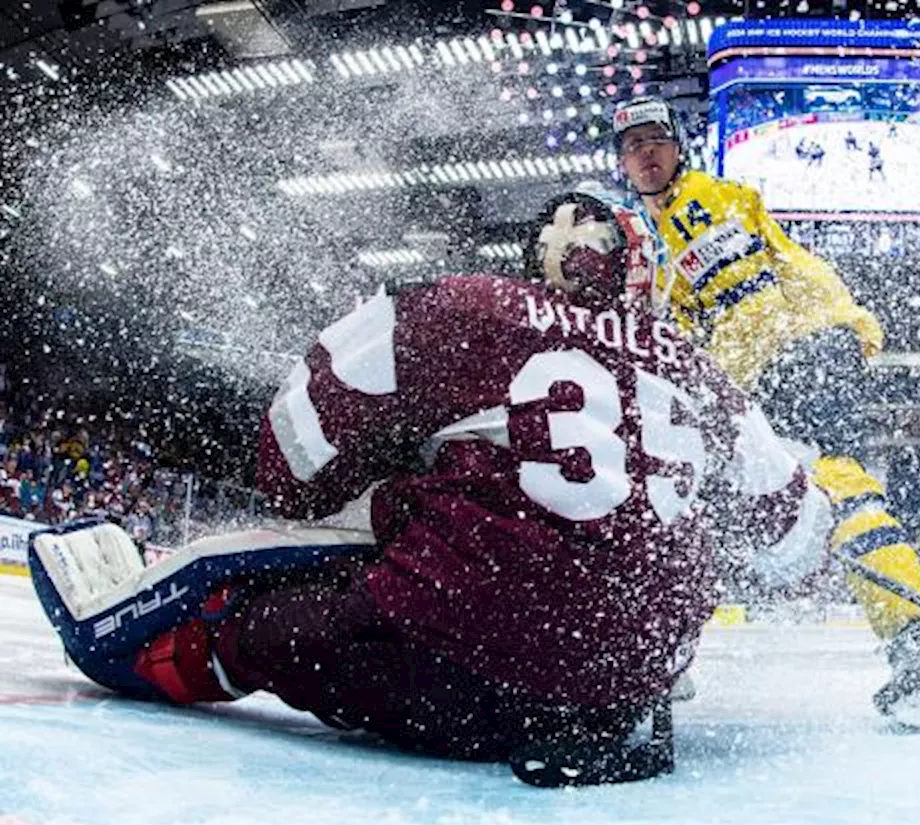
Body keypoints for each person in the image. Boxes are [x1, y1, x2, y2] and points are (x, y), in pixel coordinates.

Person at [28, 192, 829, 787]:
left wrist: (359, 483)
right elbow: (797, 540)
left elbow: (292, 444)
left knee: (263, 628)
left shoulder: (464, 306)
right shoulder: (699, 367)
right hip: (627, 694)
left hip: (460, 667)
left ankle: (149, 650)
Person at [612, 96, 920, 730]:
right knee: (730, 505)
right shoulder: (657, 229)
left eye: (656, 141)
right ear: (622, 160)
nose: (646, 154)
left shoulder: (704, 201)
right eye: (632, 146)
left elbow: (758, 293)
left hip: (788, 358)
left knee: (800, 493)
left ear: (678, 148)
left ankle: (918, 656)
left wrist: (832, 329)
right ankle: (916, 650)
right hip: (766, 371)